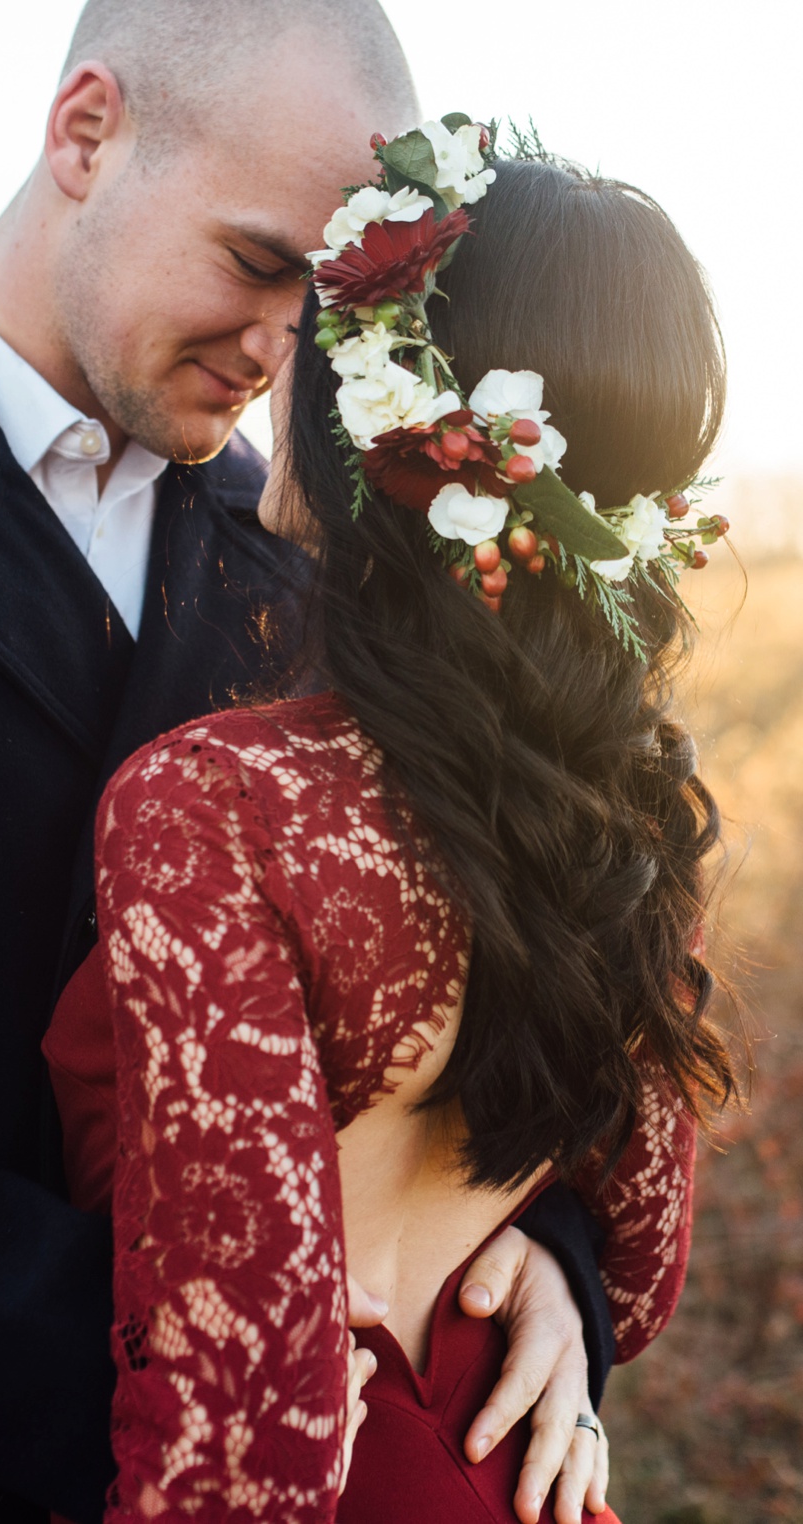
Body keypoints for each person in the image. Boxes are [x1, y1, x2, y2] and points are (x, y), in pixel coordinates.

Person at [0, 4, 610, 1520]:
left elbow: (469, 945)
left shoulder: (305, 556)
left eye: (337, 305)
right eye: (260, 262)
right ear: (85, 133)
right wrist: (170, 1376)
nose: (285, 350)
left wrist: (545, 1259)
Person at [43, 135, 732, 1521]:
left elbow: (242, 1424)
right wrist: (536, 1267)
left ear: (387, 415)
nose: (272, 367)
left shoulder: (217, 804)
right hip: (511, 1465)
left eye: (316, 331)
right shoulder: (631, 807)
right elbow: (643, 1265)